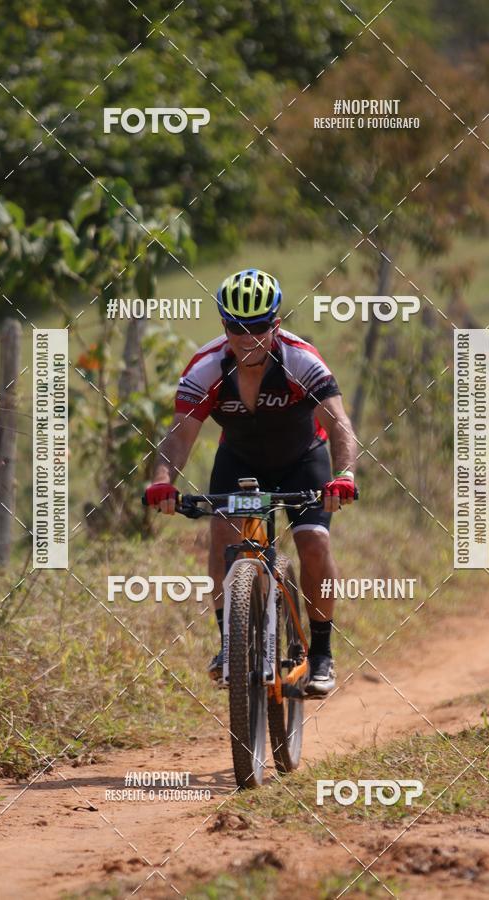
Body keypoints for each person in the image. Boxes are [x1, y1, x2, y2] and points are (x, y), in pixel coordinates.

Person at [145, 269, 357, 696]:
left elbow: (339, 425)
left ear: (275, 324)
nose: (248, 338)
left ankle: (321, 653)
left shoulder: (300, 361)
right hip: (241, 463)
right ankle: (230, 645)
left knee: (313, 540)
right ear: (224, 325)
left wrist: (344, 475)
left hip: (304, 461)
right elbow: (180, 435)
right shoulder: (206, 368)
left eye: (259, 326)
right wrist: (162, 481)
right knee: (221, 530)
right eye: (236, 327)